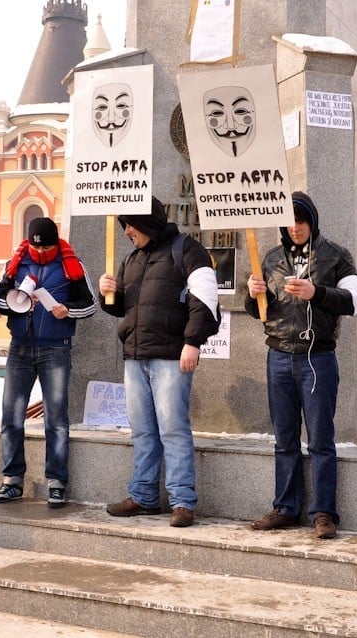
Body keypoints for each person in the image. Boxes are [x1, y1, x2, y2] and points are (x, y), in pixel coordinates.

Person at [245, 192, 357, 540]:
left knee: (321, 439)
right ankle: (285, 507)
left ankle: (324, 513)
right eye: (289, 220)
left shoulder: (335, 255)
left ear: (312, 221)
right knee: (284, 438)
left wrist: (317, 293)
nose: (295, 227)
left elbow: (355, 301)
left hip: (318, 357)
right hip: (279, 355)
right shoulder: (269, 258)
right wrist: (251, 295)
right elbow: (259, 313)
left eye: (301, 220)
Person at [98, 196, 220, 528]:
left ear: (147, 222)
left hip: (170, 357)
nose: (125, 232)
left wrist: (192, 342)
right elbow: (122, 308)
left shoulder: (187, 249)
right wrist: (107, 293)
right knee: (142, 431)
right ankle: (144, 496)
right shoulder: (132, 259)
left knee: (173, 429)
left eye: (130, 225)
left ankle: (182, 501)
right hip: (135, 356)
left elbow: (206, 302)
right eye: (123, 225)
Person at [0, 217, 97, 508]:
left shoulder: (71, 263)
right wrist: (16, 302)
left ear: (54, 242)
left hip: (56, 348)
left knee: (56, 418)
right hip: (20, 347)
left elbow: (90, 305)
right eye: (36, 248)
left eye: (46, 248)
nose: (40, 253)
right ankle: (12, 480)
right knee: (11, 415)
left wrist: (67, 311)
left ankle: (57, 482)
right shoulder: (16, 261)